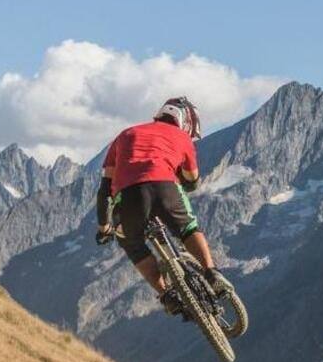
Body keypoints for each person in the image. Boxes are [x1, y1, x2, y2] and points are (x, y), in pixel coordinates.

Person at [94, 96, 227, 316]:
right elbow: (192, 179)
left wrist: (103, 228)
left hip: (128, 197)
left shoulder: (125, 135)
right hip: (165, 188)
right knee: (188, 228)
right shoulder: (181, 137)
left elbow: (104, 190)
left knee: (133, 245)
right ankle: (212, 273)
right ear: (186, 123)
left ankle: (167, 295)